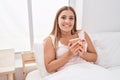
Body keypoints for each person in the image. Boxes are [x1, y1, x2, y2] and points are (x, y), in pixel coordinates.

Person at [43, 6, 116, 80]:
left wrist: (83, 54)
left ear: (74, 21)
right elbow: (49, 68)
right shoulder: (50, 40)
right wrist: (69, 54)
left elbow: (94, 57)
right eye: (63, 17)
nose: (67, 21)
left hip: (88, 69)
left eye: (71, 18)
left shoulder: (82, 34)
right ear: (57, 20)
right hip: (67, 73)